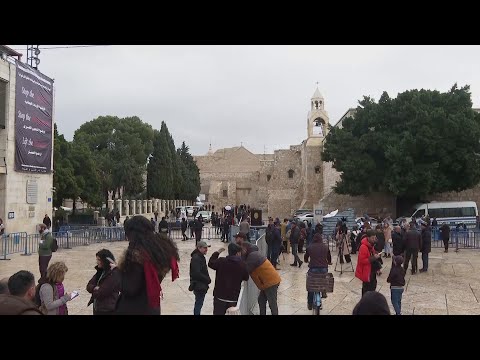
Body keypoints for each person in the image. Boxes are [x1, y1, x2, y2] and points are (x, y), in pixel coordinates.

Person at [115, 216, 180, 315]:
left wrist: (117, 272)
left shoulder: (137, 255)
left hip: (134, 308)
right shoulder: (159, 252)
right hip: (152, 307)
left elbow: (130, 288)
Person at [208, 243, 249, 315]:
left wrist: (217, 253)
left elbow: (211, 263)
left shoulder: (221, 261)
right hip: (233, 297)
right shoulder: (242, 264)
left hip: (219, 296)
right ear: (237, 253)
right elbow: (246, 277)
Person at [242, 243, 281, 315]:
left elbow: (245, 270)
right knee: (261, 300)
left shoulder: (252, 256)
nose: (241, 251)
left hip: (270, 282)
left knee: (272, 303)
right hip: (266, 282)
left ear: (246, 248)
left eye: (242, 249)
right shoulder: (252, 254)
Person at [86, 249, 121, 315]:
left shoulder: (114, 274)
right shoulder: (101, 271)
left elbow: (101, 293)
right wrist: (96, 287)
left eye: (99, 260)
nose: (97, 262)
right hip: (98, 309)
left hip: (108, 311)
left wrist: (96, 289)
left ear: (105, 261)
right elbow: (88, 286)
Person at [304, 232, 331, 310]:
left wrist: (306, 260)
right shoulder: (325, 247)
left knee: (311, 285)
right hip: (323, 269)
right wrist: (329, 262)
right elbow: (329, 257)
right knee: (323, 279)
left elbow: (306, 257)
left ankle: (309, 303)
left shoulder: (310, 247)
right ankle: (323, 291)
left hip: (313, 268)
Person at [355, 229, 381, 296]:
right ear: (368, 237)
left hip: (372, 271)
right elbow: (362, 260)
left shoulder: (371, 245)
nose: (374, 239)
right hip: (367, 272)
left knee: (372, 288)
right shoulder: (363, 247)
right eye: (372, 238)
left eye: (375, 237)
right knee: (367, 290)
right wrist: (374, 258)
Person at [189, 241, 211, 315]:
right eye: (204, 248)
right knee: (198, 304)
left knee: (199, 303)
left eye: (206, 248)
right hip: (199, 285)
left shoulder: (200, 257)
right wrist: (207, 279)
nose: (206, 249)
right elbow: (196, 273)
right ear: (199, 248)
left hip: (200, 284)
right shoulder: (196, 258)